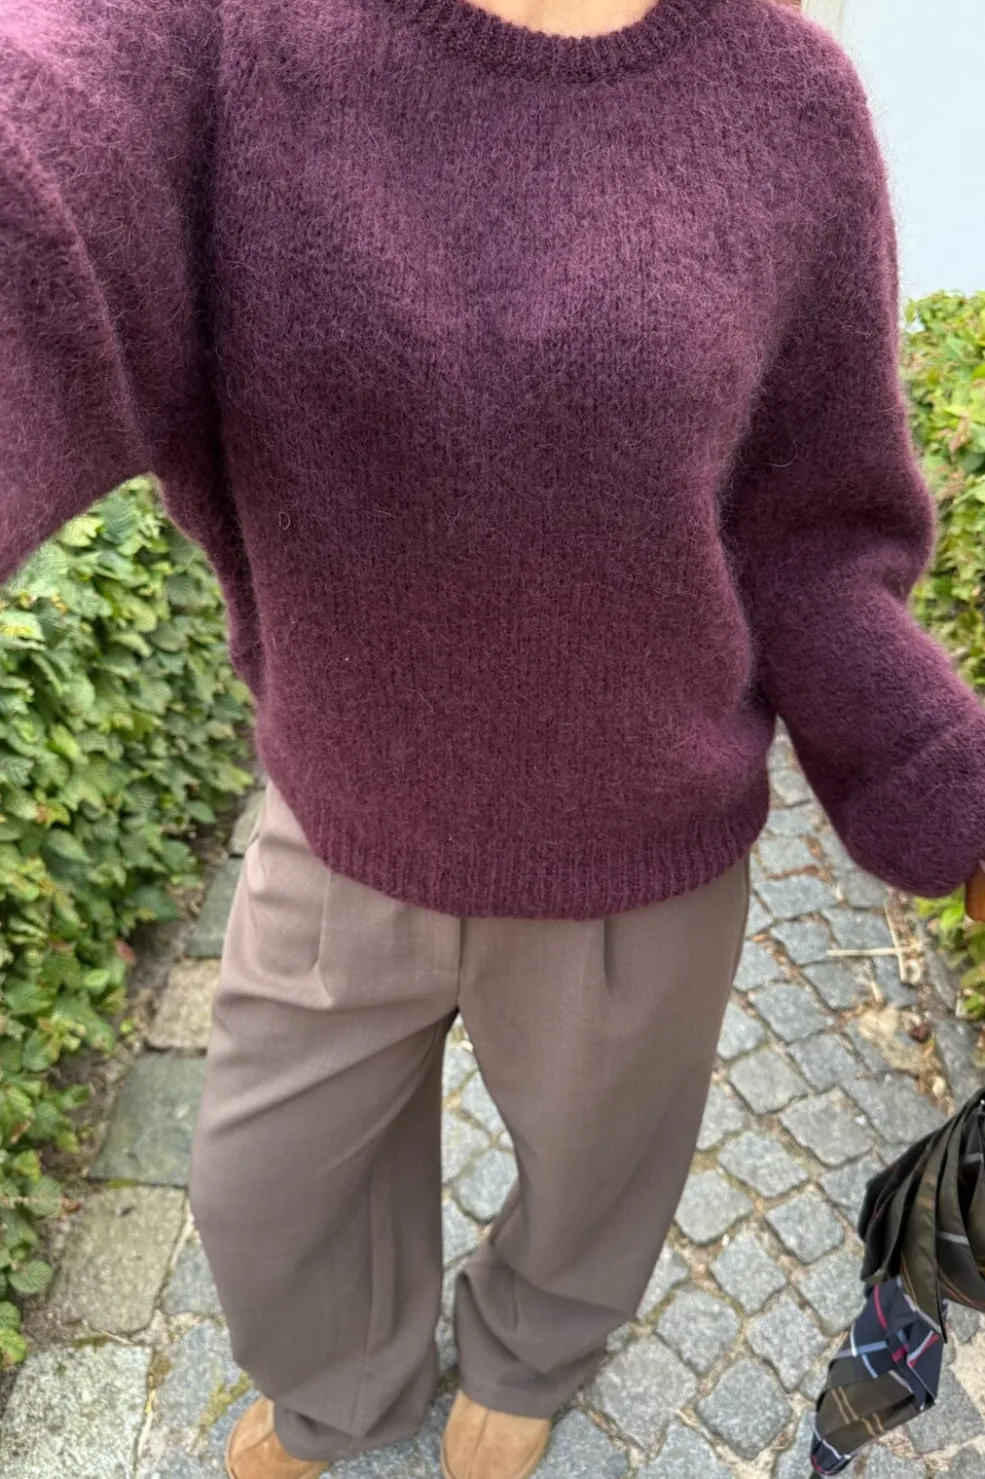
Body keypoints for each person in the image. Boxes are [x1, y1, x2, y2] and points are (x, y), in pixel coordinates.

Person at [2, 0, 985, 1475]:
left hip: (643, 858)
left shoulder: (789, 107)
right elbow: (42, 181)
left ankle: (531, 1356)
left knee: (598, 1183)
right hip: (341, 824)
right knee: (265, 1194)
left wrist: (946, 796)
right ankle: (342, 1389)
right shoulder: (224, 39)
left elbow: (814, 541)